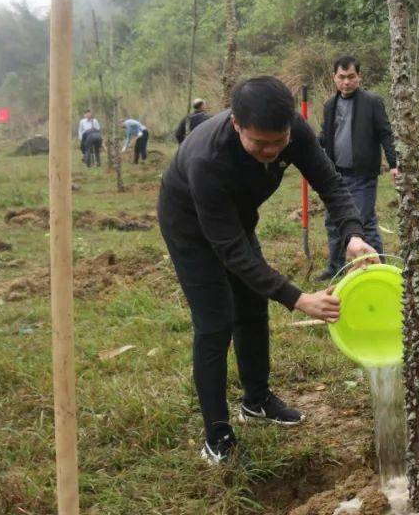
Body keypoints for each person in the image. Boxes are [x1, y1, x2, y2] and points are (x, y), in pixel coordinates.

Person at [157, 76, 377, 464]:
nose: (272, 152)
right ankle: (217, 434)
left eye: (279, 142)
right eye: (260, 144)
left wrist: (353, 235)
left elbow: (329, 182)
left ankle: (256, 400)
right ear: (236, 124)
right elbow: (231, 251)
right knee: (215, 321)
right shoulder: (208, 160)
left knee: (253, 305)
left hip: (238, 219)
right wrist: (298, 298)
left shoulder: (292, 131)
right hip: (188, 225)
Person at [317, 55, 399, 280]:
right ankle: (336, 268)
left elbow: (385, 133)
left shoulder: (372, 101)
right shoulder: (330, 105)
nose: (346, 82)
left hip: (363, 175)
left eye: (351, 77)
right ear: (334, 77)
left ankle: (380, 267)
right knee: (333, 222)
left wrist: (394, 164)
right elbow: (325, 136)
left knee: (362, 222)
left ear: (359, 77)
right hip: (335, 175)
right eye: (341, 77)